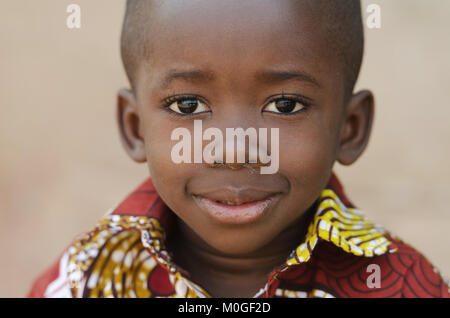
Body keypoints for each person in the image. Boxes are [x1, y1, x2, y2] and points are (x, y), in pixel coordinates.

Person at [27, 0, 449, 298]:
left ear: (349, 128)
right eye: (187, 105)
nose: (234, 150)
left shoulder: (402, 287)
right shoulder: (84, 282)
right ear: (135, 127)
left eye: (285, 106)